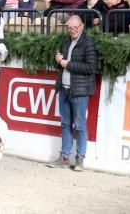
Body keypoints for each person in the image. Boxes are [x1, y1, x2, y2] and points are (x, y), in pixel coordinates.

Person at [49, 15, 97, 172]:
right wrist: (58, 60)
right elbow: (61, 66)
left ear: (82, 26)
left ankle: (80, 159)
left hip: (80, 91)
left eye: (76, 27)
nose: (73, 30)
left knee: (80, 125)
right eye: (70, 28)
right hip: (64, 88)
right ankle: (64, 157)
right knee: (65, 124)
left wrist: (67, 64)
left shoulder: (88, 43)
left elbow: (90, 68)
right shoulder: (66, 42)